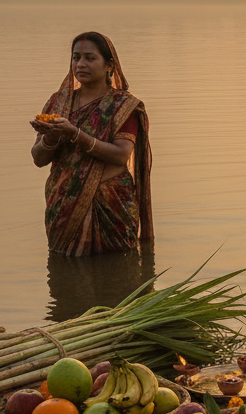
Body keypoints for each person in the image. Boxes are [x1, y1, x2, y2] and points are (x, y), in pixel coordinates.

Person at [29, 32, 153, 255]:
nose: (81, 64)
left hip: (110, 204)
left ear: (109, 65)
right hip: (64, 204)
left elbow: (120, 155)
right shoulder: (59, 102)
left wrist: (75, 133)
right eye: (76, 58)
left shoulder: (122, 106)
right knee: (65, 276)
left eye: (90, 58)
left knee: (119, 276)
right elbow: (38, 159)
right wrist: (51, 136)